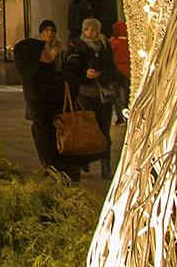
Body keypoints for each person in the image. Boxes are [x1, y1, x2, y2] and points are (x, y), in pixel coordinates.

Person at [11, 19, 72, 178]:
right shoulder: (39, 78)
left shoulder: (45, 73)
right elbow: (51, 98)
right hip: (50, 132)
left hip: (49, 130)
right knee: (55, 168)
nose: (48, 55)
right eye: (44, 53)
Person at [65, 17, 119, 177]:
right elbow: (71, 67)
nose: (90, 32)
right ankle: (84, 160)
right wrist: (84, 74)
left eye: (93, 29)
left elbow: (111, 66)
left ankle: (106, 166)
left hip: (102, 94)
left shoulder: (105, 45)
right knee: (86, 128)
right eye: (87, 29)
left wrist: (102, 73)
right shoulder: (76, 45)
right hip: (84, 94)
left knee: (104, 131)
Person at [109, 20, 132, 123]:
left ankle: (119, 116)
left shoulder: (112, 43)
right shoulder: (129, 43)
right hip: (127, 72)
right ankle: (128, 115)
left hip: (115, 71)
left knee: (117, 96)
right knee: (128, 96)